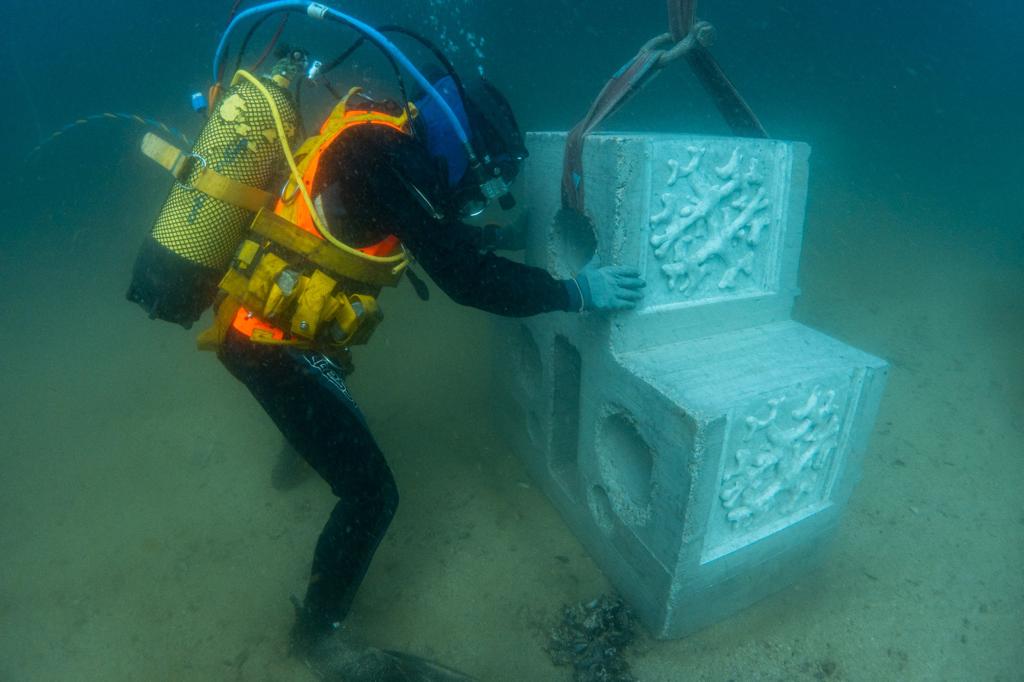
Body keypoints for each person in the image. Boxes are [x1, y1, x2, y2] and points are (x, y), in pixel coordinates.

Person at [132, 51, 645, 666]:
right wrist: (573, 293)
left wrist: (502, 238)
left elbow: (427, 228)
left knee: (328, 392)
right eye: (483, 176)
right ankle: (316, 639)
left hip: (274, 330)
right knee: (372, 494)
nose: (473, 193)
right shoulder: (391, 157)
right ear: (464, 144)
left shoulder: (381, 138)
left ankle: (297, 450)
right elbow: (465, 279)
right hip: (269, 345)